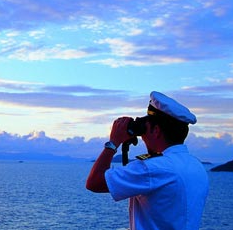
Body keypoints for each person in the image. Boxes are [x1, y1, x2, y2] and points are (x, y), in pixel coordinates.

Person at [86, 91, 209, 230]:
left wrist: (113, 142)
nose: (142, 135)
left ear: (156, 131)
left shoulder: (153, 168)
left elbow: (94, 182)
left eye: (146, 127)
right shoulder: (196, 165)